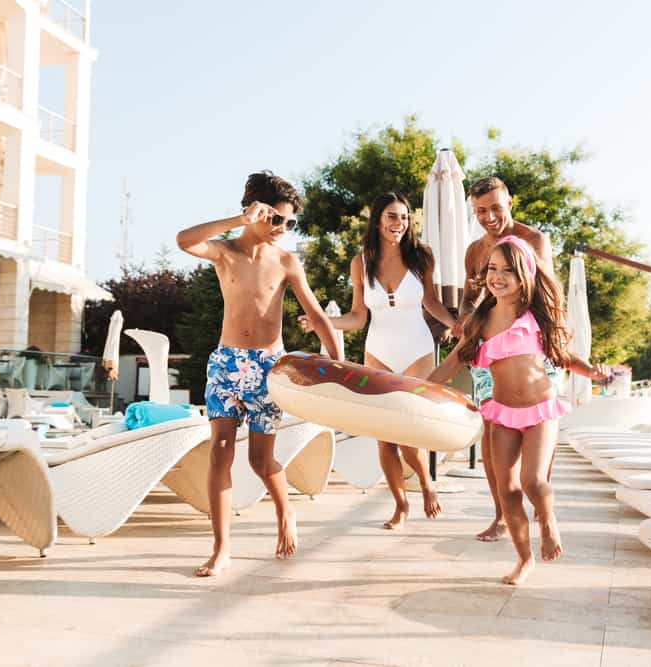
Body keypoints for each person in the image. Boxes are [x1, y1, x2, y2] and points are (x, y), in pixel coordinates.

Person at [176, 171, 342, 577]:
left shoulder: (286, 261)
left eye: (289, 222)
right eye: (276, 219)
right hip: (226, 364)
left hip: (269, 367)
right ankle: (221, 548)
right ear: (254, 212)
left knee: (260, 459)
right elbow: (184, 240)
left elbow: (317, 316)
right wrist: (239, 221)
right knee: (219, 452)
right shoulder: (226, 252)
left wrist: (336, 363)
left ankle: (286, 513)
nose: (283, 229)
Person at [430, 236, 602, 585]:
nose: (498, 276)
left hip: (541, 410)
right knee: (506, 489)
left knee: (533, 481)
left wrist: (591, 372)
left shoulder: (536, 316)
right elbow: (450, 364)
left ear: (524, 274)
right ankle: (524, 559)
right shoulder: (481, 320)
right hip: (503, 413)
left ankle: (548, 519)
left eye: (508, 270)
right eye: (492, 269)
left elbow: (562, 355)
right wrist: (415, 388)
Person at [456, 176, 605, 542]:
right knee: (493, 446)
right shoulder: (475, 251)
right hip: (493, 349)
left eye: (495, 208)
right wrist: (465, 317)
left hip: (531, 344)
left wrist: (556, 333)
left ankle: (542, 512)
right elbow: (467, 298)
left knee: (539, 437)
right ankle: (502, 516)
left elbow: (547, 289)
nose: (489, 216)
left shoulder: (533, 239)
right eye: (480, 211)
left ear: (510, 204)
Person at [299, 192, 458, 529]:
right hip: (378, 351)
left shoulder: (422, 258)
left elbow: (431, 303)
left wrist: (457, 325)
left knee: (408, 429)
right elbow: (357, 317)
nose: (398, 223)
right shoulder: (361, 263)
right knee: (384, 435)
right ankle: (401, 505)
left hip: (418, 349)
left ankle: (427, 483)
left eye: (403, 217)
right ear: (378, 219)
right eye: (391, 216)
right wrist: (322, 323)